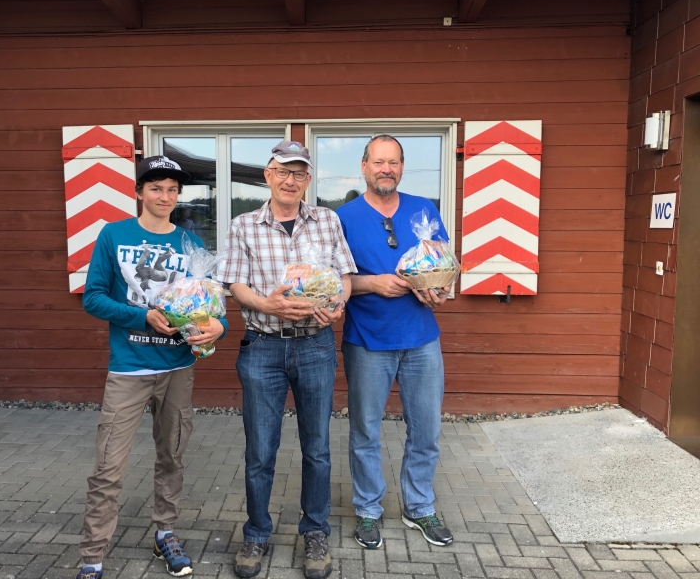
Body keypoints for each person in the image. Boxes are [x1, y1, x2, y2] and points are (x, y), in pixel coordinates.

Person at [76, 155, 228, 579]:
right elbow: (93, 298)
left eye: (172, 190)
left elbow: (211, 307)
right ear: (139, 192)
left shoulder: (190, 243)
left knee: (172, 456)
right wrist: (141, 316)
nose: (165, 196)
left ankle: (165, 532)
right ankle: (92, 556)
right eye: (156, 188)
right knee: (108, 466)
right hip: (129, 368)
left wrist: (218, 327)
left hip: (177, 367)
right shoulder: (114, 234)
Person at [219, 141, 357, 579]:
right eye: (283, 171)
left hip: (315, 345)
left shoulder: (327, 220)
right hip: (263, 346)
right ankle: (257, 532)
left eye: (299, 173)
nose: (290, 180)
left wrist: (337, 303)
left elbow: (344, 276)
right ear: (268, 175)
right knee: (260, 450)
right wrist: (267, 304)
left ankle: (315, 531)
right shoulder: (244, 225)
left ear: (308, 180)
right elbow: (234, 284)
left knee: (317, 448)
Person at [336, 135, 454, 551]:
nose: (386, 169)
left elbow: (440, 263)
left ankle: (419, 506)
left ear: (402, 167)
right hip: (367, 340)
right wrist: (372, 283)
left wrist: (439, 288)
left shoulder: (425, 209)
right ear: (364, 166)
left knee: (427, 430)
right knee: (365, 431)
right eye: (378, 162)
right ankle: (368, 509)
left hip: (421, 339)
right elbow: (333, 282)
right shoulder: (342, 218)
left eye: (394, 162)